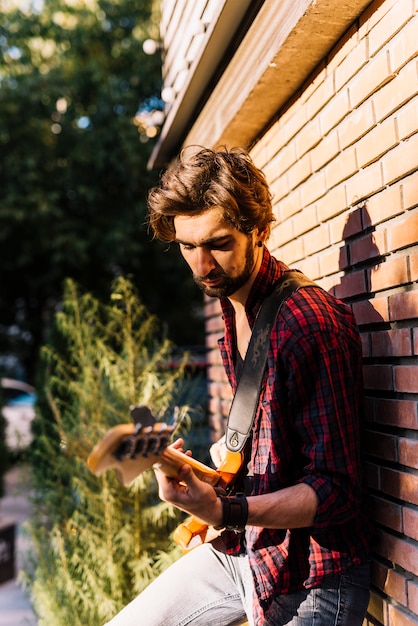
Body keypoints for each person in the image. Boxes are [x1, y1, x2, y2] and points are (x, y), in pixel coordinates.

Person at [105, 147, 374, 626]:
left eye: (218, 244)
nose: (202, 265)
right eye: (188, 246)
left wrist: (226, 510)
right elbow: (273, 453)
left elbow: (338, 491)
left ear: (260, 231)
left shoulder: (310, 325)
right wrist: (209, 484)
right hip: (248, 552)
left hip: (314, 581)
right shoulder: (237, 308)